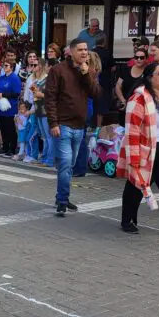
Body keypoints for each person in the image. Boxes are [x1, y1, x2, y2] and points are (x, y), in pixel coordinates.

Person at [118, 62, 159, 232]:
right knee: (136, 187)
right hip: (148, 150)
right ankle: (127, 220)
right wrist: (134, 158)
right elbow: (132, 129)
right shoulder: (139, 97)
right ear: (150, 77)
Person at [45, 38, 101, 217]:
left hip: (80, 125)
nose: (85, 53)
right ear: (71, 51)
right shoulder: (58, 70)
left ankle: (62, 196)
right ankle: (62, 200)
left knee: (71, 164)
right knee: (66, 164)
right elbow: (50, 98)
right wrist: (53, 123)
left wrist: (86, 74)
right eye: (81, 50)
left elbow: (96, 93)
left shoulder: (88, 70)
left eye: (86, 49)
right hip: (63, 125)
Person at [0, 49, 23, 157]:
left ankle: (11, 148)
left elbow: (16, 93)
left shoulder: (15, 78)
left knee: (10, 128)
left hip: (10, 107)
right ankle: (4, 147)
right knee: (2, 127)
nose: (5, 67)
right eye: (4, 65)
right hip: (0, 107)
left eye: (7, 66)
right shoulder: (0, 78)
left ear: (12, 67)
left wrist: (3, 95)